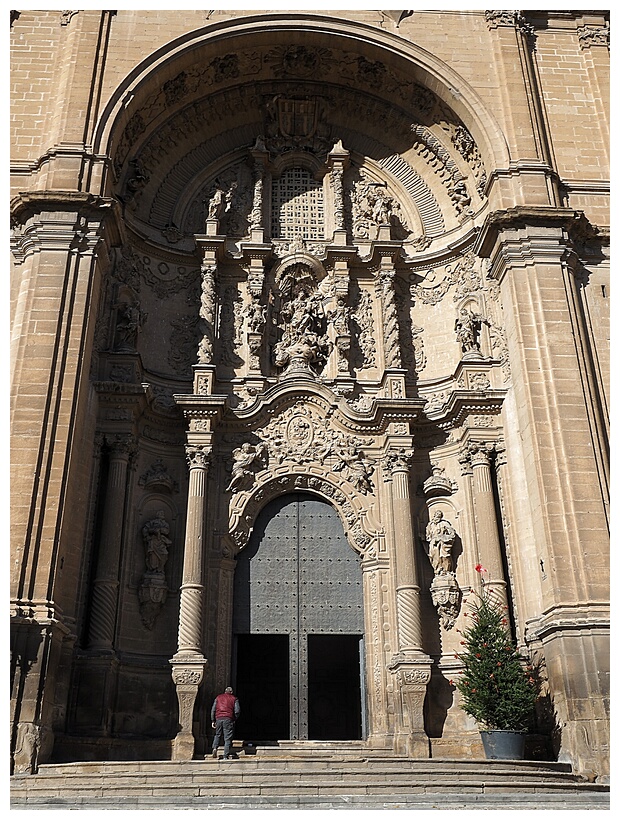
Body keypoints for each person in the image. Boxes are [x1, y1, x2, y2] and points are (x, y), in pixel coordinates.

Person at [211, 687, 240, 760]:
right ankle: (225, 755)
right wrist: (234, 718)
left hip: (218, 718)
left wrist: (213, 720)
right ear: (231, 692)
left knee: (218, 734)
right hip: (228, 718)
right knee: (227, 738)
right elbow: (237, 710)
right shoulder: (234, 699)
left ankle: (215, 748)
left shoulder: (218, 698)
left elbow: (213, 710)